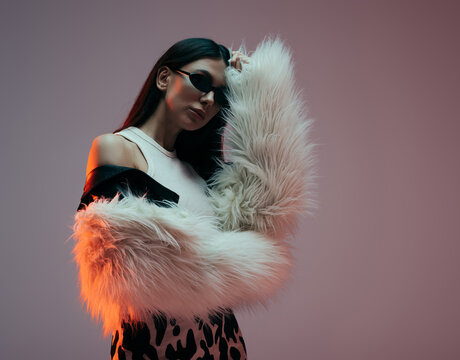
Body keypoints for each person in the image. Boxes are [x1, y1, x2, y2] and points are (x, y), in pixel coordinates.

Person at [71, 36, 317, 360]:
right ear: (164, 78)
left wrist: (258, 89)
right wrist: (232, 266)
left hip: (221, 342)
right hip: (157, 344)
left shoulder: (198, 171)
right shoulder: (118, 148)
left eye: (220, 95)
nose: (208, 100)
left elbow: (269, 206)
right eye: (200, 81)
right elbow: (117, 259)